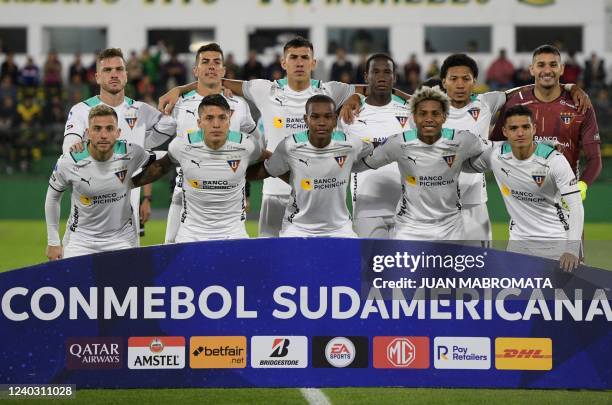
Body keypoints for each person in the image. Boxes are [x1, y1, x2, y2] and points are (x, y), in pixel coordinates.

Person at [158, 37, 359, 237]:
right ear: (283, 62)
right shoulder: (265, 89)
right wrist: (179, 89)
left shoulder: (332, 90)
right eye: (293, 57)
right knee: (271, 260)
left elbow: (371, 91)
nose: (299, 62)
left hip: (317, 193)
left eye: (305, 57)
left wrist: (353, 98)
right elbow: (212, 80)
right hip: (275, 191)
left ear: (313, 62)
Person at [63, 48, 176, 233]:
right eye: (107, 70)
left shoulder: (142, 111)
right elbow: (69, 146)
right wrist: (75, 147)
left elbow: (164, 134)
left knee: (127, 261)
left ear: (126, 75)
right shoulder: (81, 110)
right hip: (91, 211)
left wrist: (179, 94)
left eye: (119, 69)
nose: (114, 74)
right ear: (97, 77)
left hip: (128, 215)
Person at [354, 86, 486, 240]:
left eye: (435, 114)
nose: (429, 119)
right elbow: (363, 164)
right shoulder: (398, 143)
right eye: (423, 114)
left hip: (451, 228)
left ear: (444, 117)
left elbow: (492, 153)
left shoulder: (463, 140)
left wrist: (470, 166)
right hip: (409, 229)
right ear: (414, 117)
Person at [464, 105, 583, 272]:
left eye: (525, 127)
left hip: (555, 241)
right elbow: (462, 165)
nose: (520, 133)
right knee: (514, 296)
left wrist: (571, 250)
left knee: (556, 296)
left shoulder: (554, 160)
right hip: (518, 244)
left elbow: (576, 206)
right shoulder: (495, 155)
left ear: (534, 128)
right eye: (513, 128)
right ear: (505, 132)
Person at [132, 95, 263, 242]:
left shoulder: (247, 145)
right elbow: (159, 167)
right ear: (199, 123)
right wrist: (127, 185)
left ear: (229, 121)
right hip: (191, 236)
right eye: (209, 118)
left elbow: (271, 164)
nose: (216, 124)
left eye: (222, 118)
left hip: (234, 236)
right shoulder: (181, 145)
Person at [164, 43, 259, 243]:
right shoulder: (178, 105)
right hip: (184, 196)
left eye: (217, 62)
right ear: (195, 70)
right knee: (174, 262)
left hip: (228, 200)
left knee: (230, 263)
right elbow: (160, 147)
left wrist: (246, 190)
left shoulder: (239, 106)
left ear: (223, 70)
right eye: (205, 62)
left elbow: (250, 150)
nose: (211, 66)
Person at [247, 95, 372, 238]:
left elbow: (375, 149)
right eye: (315, 117)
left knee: (353, 259)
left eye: (327, 117)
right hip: (297, 228)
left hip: (340, 228)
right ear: (306, 119)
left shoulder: (351, 144)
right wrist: (234, 177)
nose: (322, 122)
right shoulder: (289, 146)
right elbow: (266, 170)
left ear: (335, 120)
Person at [491, 45, 601, 202]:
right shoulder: (513, 104)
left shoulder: (580, 105)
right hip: (525, 198)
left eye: (553, 65)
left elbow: (595, 158)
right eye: (541, 65)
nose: (547, 70)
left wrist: (581, 186)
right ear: (532, 69)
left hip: (566, 197)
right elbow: (495, 147)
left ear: (562, 69)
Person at [45, 105, 154, 260]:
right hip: (80, 241)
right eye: (97, 129)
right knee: (74, 283)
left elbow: (164, 160)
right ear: (88, 133)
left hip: (121, 239)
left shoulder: (132, 152)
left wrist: (143, 192)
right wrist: (53, 242)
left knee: (125, 283)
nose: (103, 135)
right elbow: (52, 197)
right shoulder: (69, 161)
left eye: (109, 129)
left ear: (118, 133)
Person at [338, 53, 410, 238]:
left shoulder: (411, 110)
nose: (381, 77)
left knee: (406, 265)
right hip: (366, 208)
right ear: (366, 76)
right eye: (375, 72)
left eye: (387, 72)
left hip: (408, 208)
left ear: (394, 77)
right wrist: (354, 94)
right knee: (373, 265)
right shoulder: (347, 113)